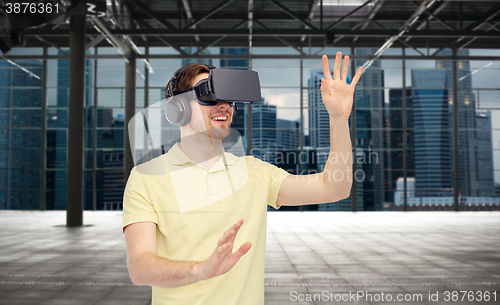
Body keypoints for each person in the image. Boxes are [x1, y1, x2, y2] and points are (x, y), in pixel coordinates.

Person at [123, 52, 362, 305]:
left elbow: (334, 188)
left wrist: (338, 119)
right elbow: (139, 268)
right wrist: (201, 270)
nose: (223, 105)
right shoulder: (145, 178)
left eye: (228, 99)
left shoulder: (255, 173)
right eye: (209, 95)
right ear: (178, 110)